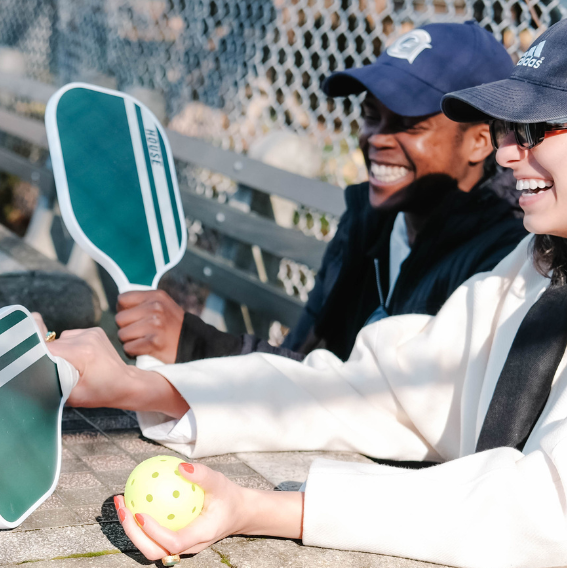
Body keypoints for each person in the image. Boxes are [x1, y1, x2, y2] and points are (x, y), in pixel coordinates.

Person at [46, 19, 567, 567]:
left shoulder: (507, 242)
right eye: (511, 129)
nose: (510, 155)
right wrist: (143, 386)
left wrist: (264, 508)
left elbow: (544, 509)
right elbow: (376, 388)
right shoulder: (534, 263)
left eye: (535, 131)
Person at [114, 21, 526, 364]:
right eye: (370, 116)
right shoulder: (370, 215)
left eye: (407, 124)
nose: (376, 138)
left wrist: (197, 345)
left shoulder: (503, 259)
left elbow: (385, 402)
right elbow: (304, 352)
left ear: (480, 140)